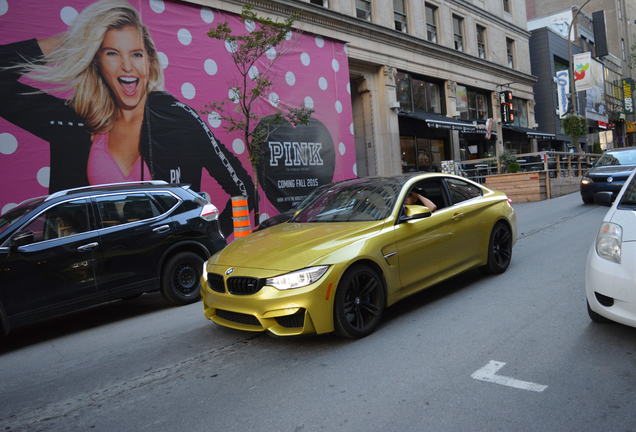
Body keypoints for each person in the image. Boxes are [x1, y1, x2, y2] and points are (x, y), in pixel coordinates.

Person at [0, 0, 254, 236]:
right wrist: (74, 41)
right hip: (90, 268)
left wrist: (211, 237)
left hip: (166, 264)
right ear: (96, 61)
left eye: (136, 54)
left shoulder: (177, 117)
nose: (127, 66)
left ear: (150, 63)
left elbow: (243, 189)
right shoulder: (76, 120)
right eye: (111, 53)